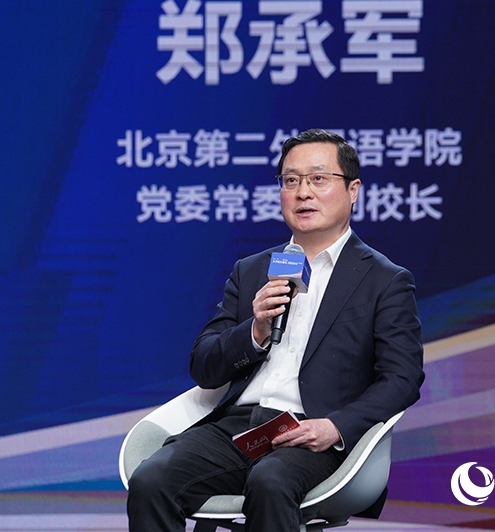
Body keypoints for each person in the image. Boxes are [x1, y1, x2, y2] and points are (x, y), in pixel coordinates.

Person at [127, 129, 424, 531]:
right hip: (240, 427)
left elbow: (402, 378)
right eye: (291, 180)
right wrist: (256, 330)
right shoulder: (252, 270)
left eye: (318, 179)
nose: (303, 192)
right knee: (152, 480)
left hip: (314, 431)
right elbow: (204, 367)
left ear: (353, 190)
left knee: (270, 481)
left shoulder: (384, 279)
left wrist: (335, 427)